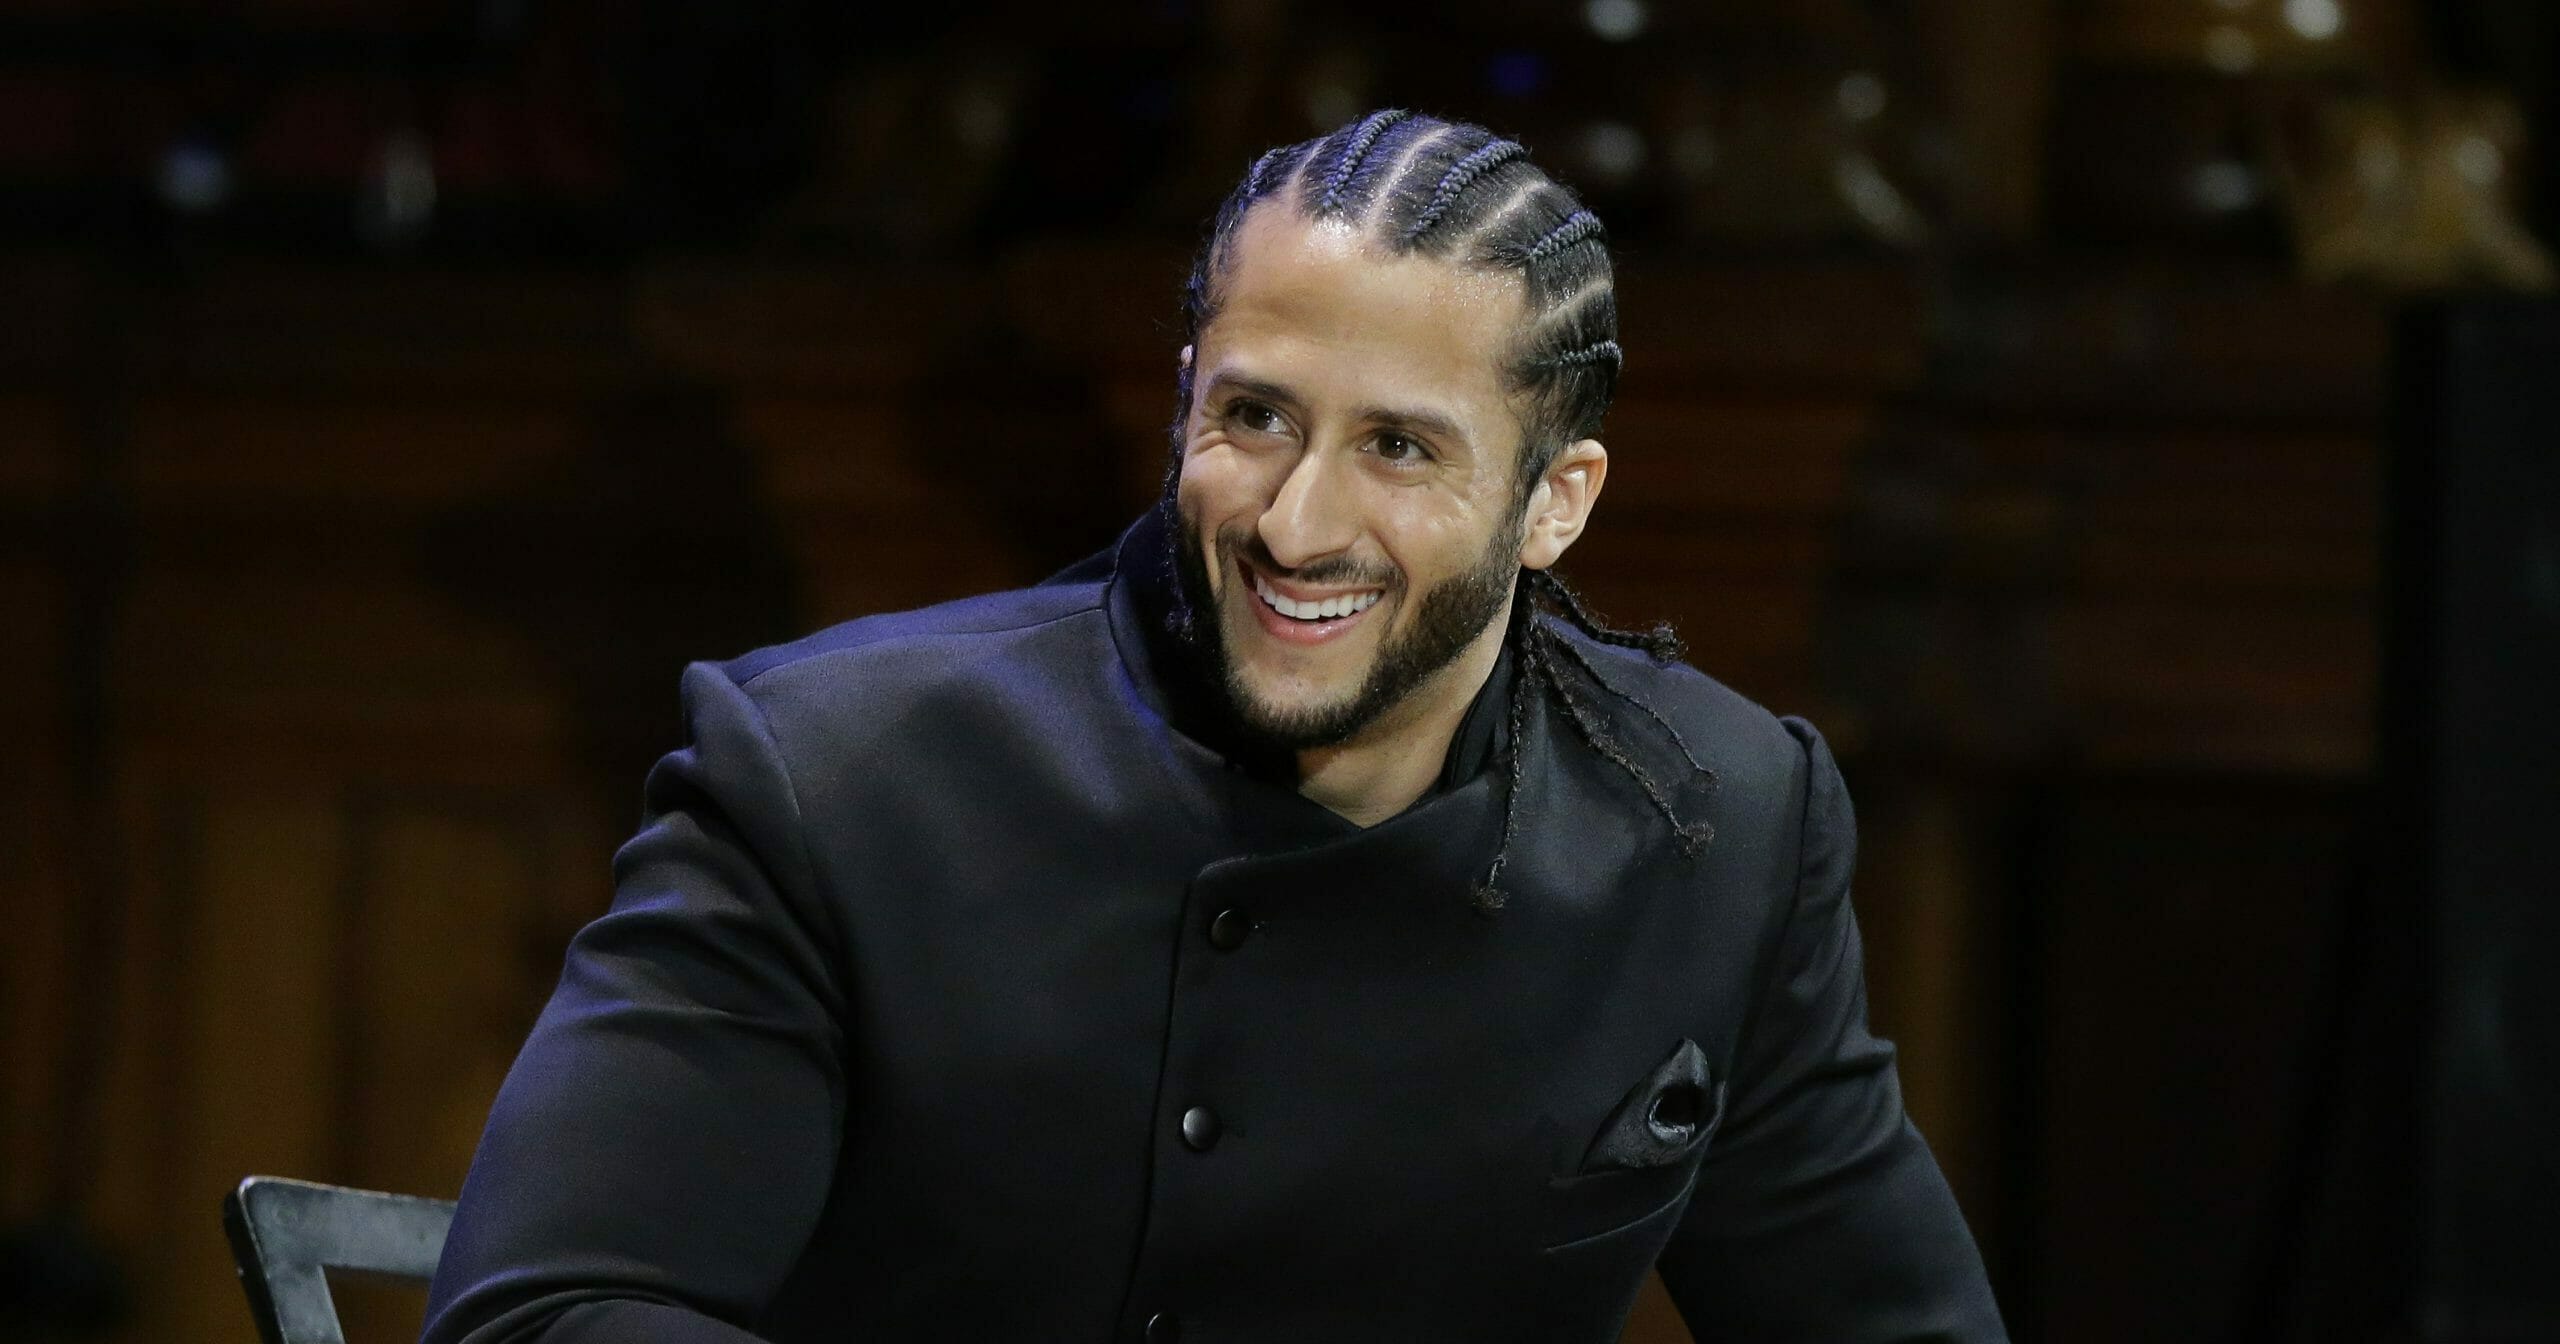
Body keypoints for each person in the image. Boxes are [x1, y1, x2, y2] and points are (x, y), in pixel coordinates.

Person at [420, 109, 2007, 1344]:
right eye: (1254, 417)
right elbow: (549, 1311)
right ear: (1185, 396)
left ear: (1553, 504)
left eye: (1399, 447)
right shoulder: (837, 774)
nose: (1299, 521)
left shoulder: (1719, 828)